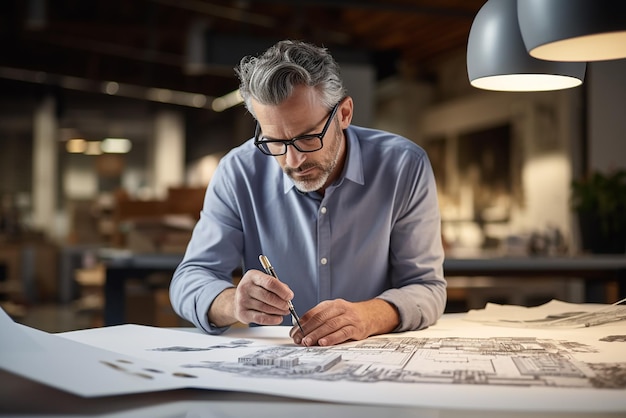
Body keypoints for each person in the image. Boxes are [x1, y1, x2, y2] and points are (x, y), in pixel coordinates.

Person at [170, 40, 446, 347]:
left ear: (344, 113)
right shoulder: (238, 171)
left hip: (369, 359)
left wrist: (368, 316)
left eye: (307, 138)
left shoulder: (404, 165)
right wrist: (232, 303)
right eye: (274, 142)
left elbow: (426, 287)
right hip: (276, 363)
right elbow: (189, 280)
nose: (293, 161)